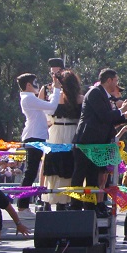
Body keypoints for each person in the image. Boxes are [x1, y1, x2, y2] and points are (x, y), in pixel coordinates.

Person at [71, 68, 127, 212]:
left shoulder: (105, 96)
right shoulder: (95, 93)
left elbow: (111, 119)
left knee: (92, 178)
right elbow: (105, 116)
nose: (117, 84)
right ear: (109, 80)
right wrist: (126, 111)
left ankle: (90, 207)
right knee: (80, 175)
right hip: (86, 142)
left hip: (97, 145)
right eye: (116, 81)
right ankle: (75, 207)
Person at [16, 72, 62, 217]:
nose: (37, 85)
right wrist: (56, 89)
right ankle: (22, 207)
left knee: (32, 171)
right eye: (34, 83)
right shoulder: (28, 98)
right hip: (33, 136)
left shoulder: (30, 99)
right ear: (28, 85)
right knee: (30, 172)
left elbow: (44, 112)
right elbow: (52, 107)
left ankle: (24, 206)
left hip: (37, 135)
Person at [41, 70, 83, 211]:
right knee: (70, 165)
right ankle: (67, 200)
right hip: (72, 132)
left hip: (56, 132)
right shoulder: (80, 99)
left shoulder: (55, 97)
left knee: (55, 164)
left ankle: (56, 200)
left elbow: (47, 115)